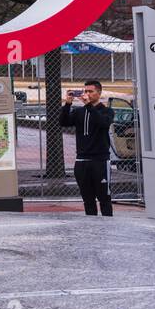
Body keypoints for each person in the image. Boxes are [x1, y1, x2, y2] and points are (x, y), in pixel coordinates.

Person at [61, 79, 115, 217]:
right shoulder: (80, 112)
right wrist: (67, 103)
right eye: (85, 91)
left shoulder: (107, 111)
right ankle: (91, 227)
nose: (87, 94)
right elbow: (63, 122)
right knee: (88, 199)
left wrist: (89, 105)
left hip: (100, 161)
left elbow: (103, 123)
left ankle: (107, 226)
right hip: (81, 161)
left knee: (104, 198)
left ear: (99, 93)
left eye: (90, 91)